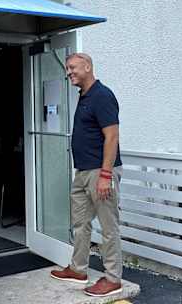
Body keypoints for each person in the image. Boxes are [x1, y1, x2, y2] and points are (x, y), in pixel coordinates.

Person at [50, 52, 123, 298]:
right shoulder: (84, 96)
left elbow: (112, 137)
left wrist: (105, 175)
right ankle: (78, 269)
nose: (68, 72)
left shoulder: (102, 95)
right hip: (83, 172)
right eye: (67, 68)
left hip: (100, 172)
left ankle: (113, 279)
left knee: (108, 226)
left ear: (88, 67)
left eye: (73, 67)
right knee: (80, 223)